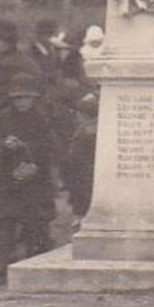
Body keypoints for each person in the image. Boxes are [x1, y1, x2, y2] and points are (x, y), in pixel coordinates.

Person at [0, 72, 57, 274]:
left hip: (36, 176)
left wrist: (24, 145)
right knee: (6, 219)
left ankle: (35, 259)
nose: (21, 102)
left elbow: (49, 146)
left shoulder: (42, 117)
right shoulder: (3, 117)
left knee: (35, 220)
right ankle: (3, 261)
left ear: (34, 98)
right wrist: (4, 144)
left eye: (26, 98)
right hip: (8, 175)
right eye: (17, 98)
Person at [64, 90, 99, 220]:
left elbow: (75, 156)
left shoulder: (84, 131)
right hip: (90, 174)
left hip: (82, 175)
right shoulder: (100, 127)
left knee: (83, 206)